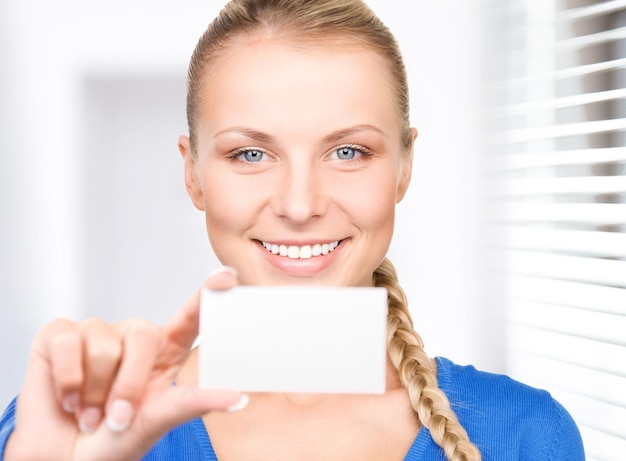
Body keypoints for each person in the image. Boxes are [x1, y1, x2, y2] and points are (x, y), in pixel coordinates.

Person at [0, 0, 585, 460]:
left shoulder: (530, 438)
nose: (300, 204)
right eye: (252, 155)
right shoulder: (66, 429)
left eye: (349, 151)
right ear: (193, 173)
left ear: (405, 168)